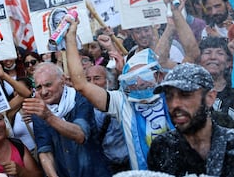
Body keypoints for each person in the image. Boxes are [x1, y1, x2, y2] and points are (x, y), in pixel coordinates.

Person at [66, 18, 175, 170]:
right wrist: (70, 38)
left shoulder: (173, 94)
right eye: (131, 78)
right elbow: (81, 85)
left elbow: (189, 53)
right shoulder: (121, 102)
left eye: (145, 75)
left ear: (159, 76)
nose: (139, 82)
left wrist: (172, 23)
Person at [147, 63, 234, 176]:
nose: (174, 104)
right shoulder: (163, 147)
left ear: (210, 98)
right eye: (169, 96)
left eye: (185, 95)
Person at [22, 62, 112, 177]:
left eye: (48, 85)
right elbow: (45, 150)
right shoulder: (39, 109)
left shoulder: (80, 99)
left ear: (62, 80)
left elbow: (80, 135)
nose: (44, 92)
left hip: (93, 172)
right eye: (39, 87)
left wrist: (49, 117)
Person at [198, 36, 234, 128]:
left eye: (220, 53)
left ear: (229, 62)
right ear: (199, 61)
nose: (213, 57)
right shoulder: (192, 90)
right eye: (207, 52)